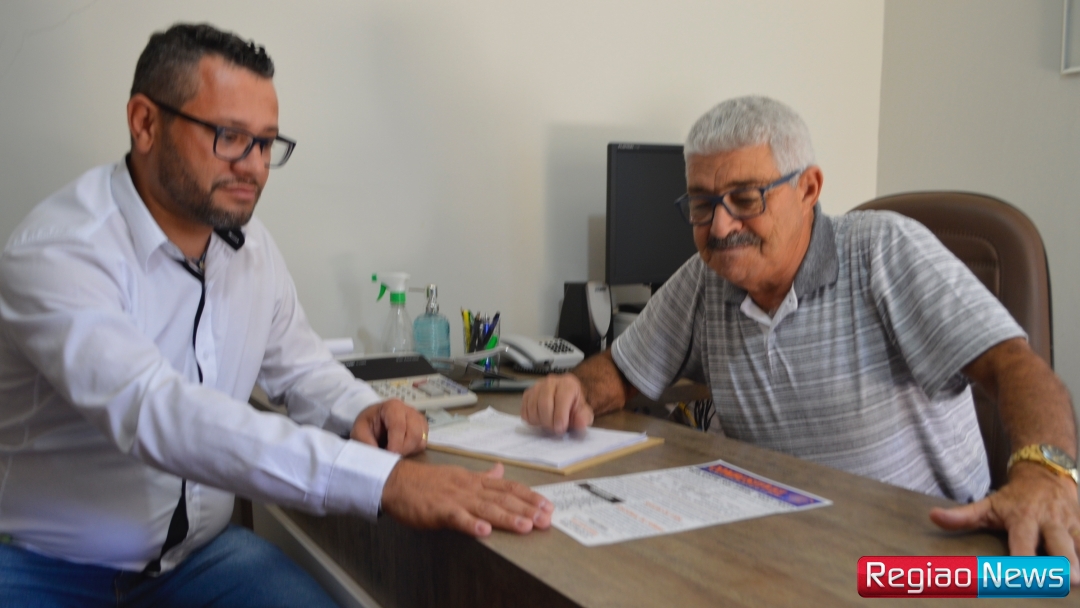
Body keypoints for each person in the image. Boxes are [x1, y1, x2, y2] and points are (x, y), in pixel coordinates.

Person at [0, 23, 552, 607]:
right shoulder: (59, 250)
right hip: (50, 568)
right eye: (231, 137)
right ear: (145, 123)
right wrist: (383, 481)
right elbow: (158, 413)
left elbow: (302, 367)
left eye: (266, 144)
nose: (255, 167)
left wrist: (363, 409)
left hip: (200, 562)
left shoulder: (250, 246)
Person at [522, 95, 1080, 578]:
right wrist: (575, 389)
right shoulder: (704, 279)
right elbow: (619, 371)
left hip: (923, 557)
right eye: (701, 204)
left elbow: (1015, 366)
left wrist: (1046, 473)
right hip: (782, 547)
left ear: (809, 188)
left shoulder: (884, 250)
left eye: (746, 199)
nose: (720, 226)